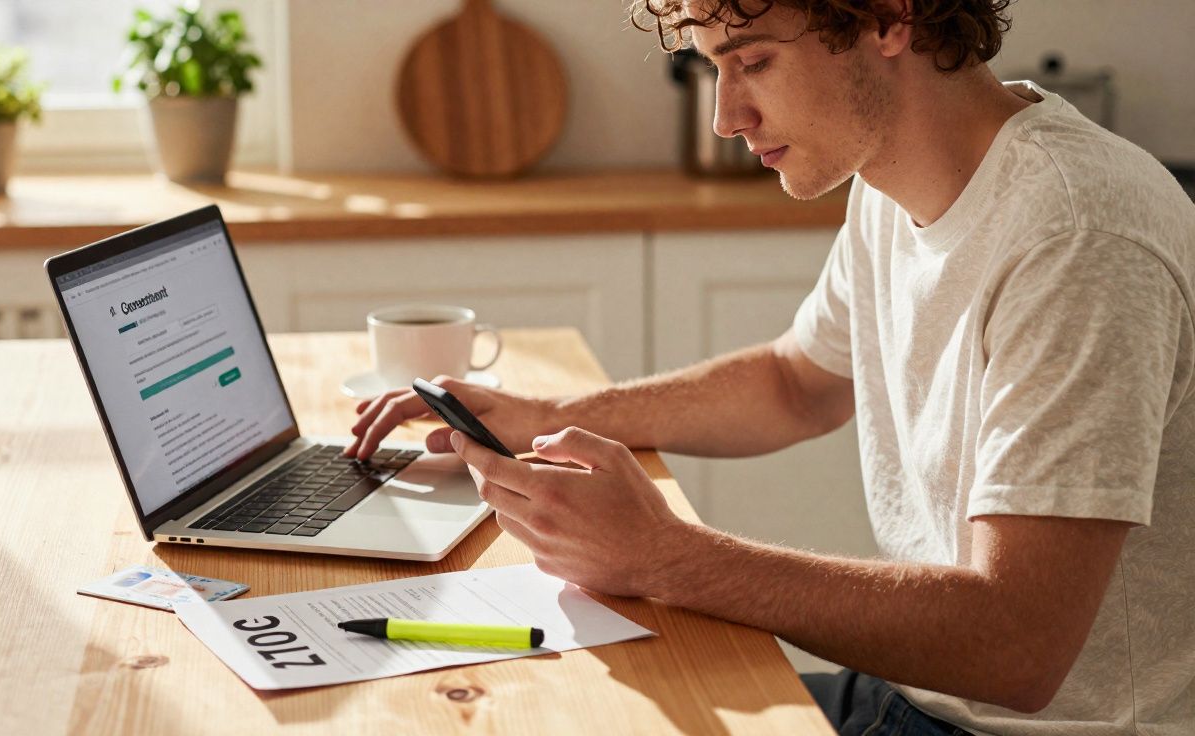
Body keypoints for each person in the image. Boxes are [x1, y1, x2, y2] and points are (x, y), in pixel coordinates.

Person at [346, 1, 1195, 733]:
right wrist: (547, 411)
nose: (727, 117)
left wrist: (666, 556)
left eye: (753, 62)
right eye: (717, 67)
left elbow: (1018, 643)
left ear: (889, 18)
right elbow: (797, 383)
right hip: (915, 699)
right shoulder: (893, 178)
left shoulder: (1078, 237)